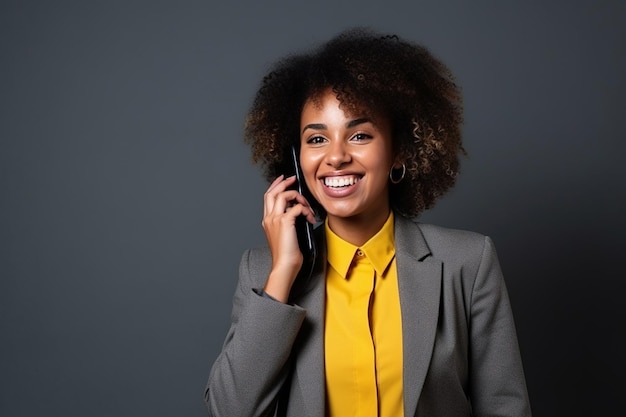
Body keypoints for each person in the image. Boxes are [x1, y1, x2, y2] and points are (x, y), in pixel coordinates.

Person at [204, 27, 531, 417]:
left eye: (359, 135)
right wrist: (283, 275)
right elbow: (229, 411)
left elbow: (504, 407)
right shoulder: (263, 272)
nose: (336, 156)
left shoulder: (467, 262)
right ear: (296, 158)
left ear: (398, 152)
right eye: (317, 139)